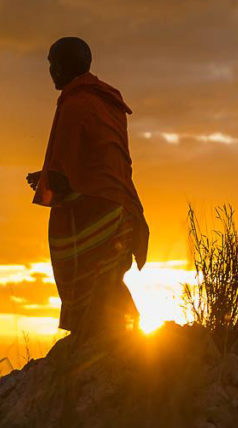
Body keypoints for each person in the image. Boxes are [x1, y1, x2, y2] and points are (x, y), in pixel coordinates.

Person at [28, 37, 149, 336]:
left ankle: (105, 341)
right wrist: (48, 173)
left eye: (54, 64)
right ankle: (122, 338)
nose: (51, 71)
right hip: (120, 202)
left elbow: (67, 167)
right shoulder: (107, 101)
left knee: (89, 276)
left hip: (95, 205)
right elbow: (98, 156)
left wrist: (49, 179)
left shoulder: (76, 103)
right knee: (106, 277)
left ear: (65, 66)